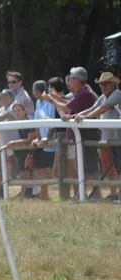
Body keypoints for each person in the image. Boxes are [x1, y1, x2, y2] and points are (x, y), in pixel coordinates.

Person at [47, 66, 100, 200]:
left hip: (87, 134)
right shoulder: (83, 92)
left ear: (76, 79)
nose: (68, 81)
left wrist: (51, 100)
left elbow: (66, 107)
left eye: (70, 78)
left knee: (91, 168)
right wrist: (57, 97)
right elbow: (70, 104)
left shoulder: (84, 93)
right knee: (85, 167)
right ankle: (87, 194)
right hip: (84, 135)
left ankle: (95, 195)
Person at [74, 72, 121, 201]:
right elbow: (91, 108)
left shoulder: (117, 94)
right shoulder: (102, 97)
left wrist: (87, 117)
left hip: (119, 138)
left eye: (106, 84)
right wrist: (75, 116)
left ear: (112, 84)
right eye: (101, 84)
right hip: (113, 139)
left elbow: (104, 108)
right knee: (117, 166)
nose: (103, 87)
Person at [30, 80, 56, 200]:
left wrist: (47, 138)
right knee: (40, 167)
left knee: (47, 168)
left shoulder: (50, 103)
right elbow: (37, 122)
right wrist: (37, 137)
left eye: (34, 90)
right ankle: (43, 194)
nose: (33, 92)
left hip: (50, 141)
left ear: (39, 91)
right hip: (41, 139)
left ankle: (46, 194)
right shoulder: (38, 102)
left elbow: (52, 122)